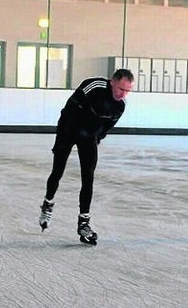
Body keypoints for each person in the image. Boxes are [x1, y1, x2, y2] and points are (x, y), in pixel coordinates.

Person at [39, 68, 134, 245]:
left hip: (89, 135)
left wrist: (94, 139)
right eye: (121, 89)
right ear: (112, 82)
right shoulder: (94, 86)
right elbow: (69, 108)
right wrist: (63, 137)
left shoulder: (120, 106)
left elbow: (105, 129)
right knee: (57, 171)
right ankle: (48, 203)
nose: (123, 94)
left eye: (128, 90)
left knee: (88, 178)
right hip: (69, 130)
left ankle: (84, 223)